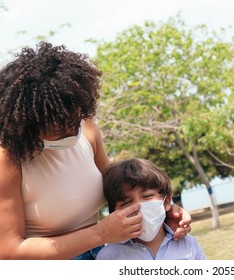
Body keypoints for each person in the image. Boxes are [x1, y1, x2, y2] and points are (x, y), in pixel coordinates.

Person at [0, 42, 191, 260]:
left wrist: (165, 211)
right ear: (28, 123)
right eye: (57, 129)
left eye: (75, 120)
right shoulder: (8, 161)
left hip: (102, 254)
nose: (71, 131)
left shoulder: (88, 129)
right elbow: (9, 251)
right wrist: (100, 233)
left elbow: (121, 187)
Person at [96, 158, 206, 260]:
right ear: (114, 212)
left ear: (166, 201)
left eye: (147, 196)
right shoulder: (108, 257)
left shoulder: (188, 244)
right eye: (127, 202)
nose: (138, 207)